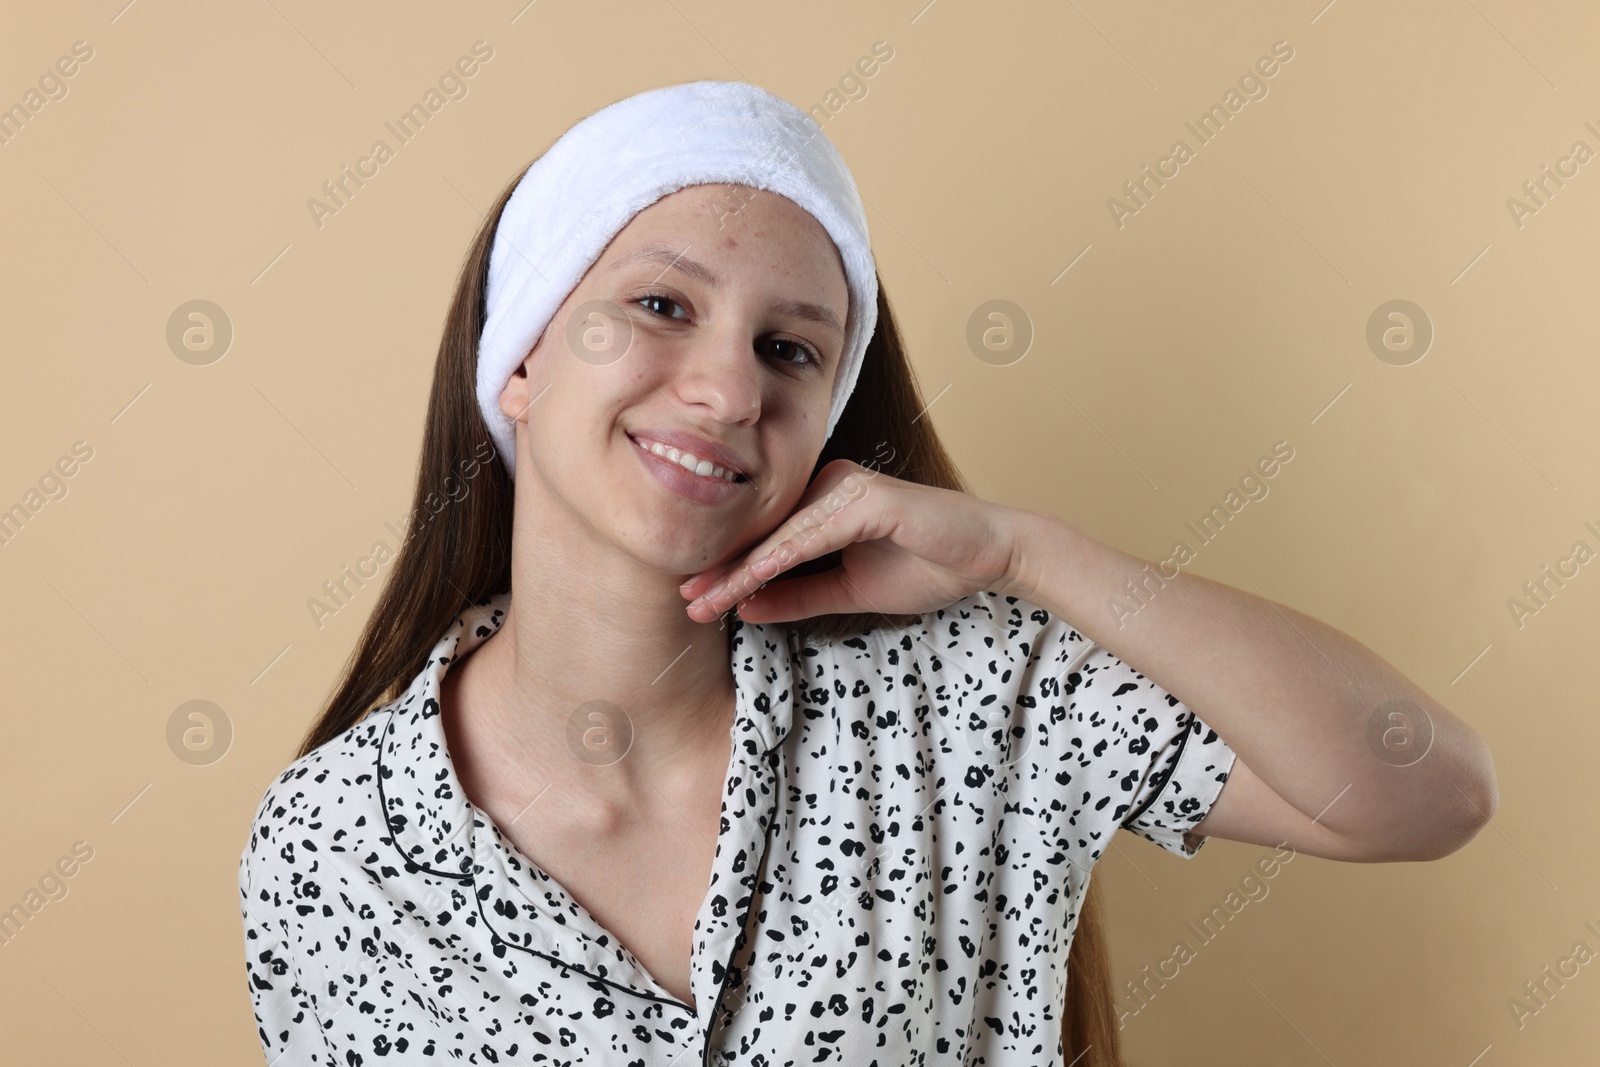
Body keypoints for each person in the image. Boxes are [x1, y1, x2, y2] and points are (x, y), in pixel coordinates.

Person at [237, 81, 1497, 1066]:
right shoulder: (337, 850)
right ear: (521, 356)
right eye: (663, 307)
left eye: (789, 348)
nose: (729, 390)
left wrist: (1024, 549)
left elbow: (1425, 789)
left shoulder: (972, 686)